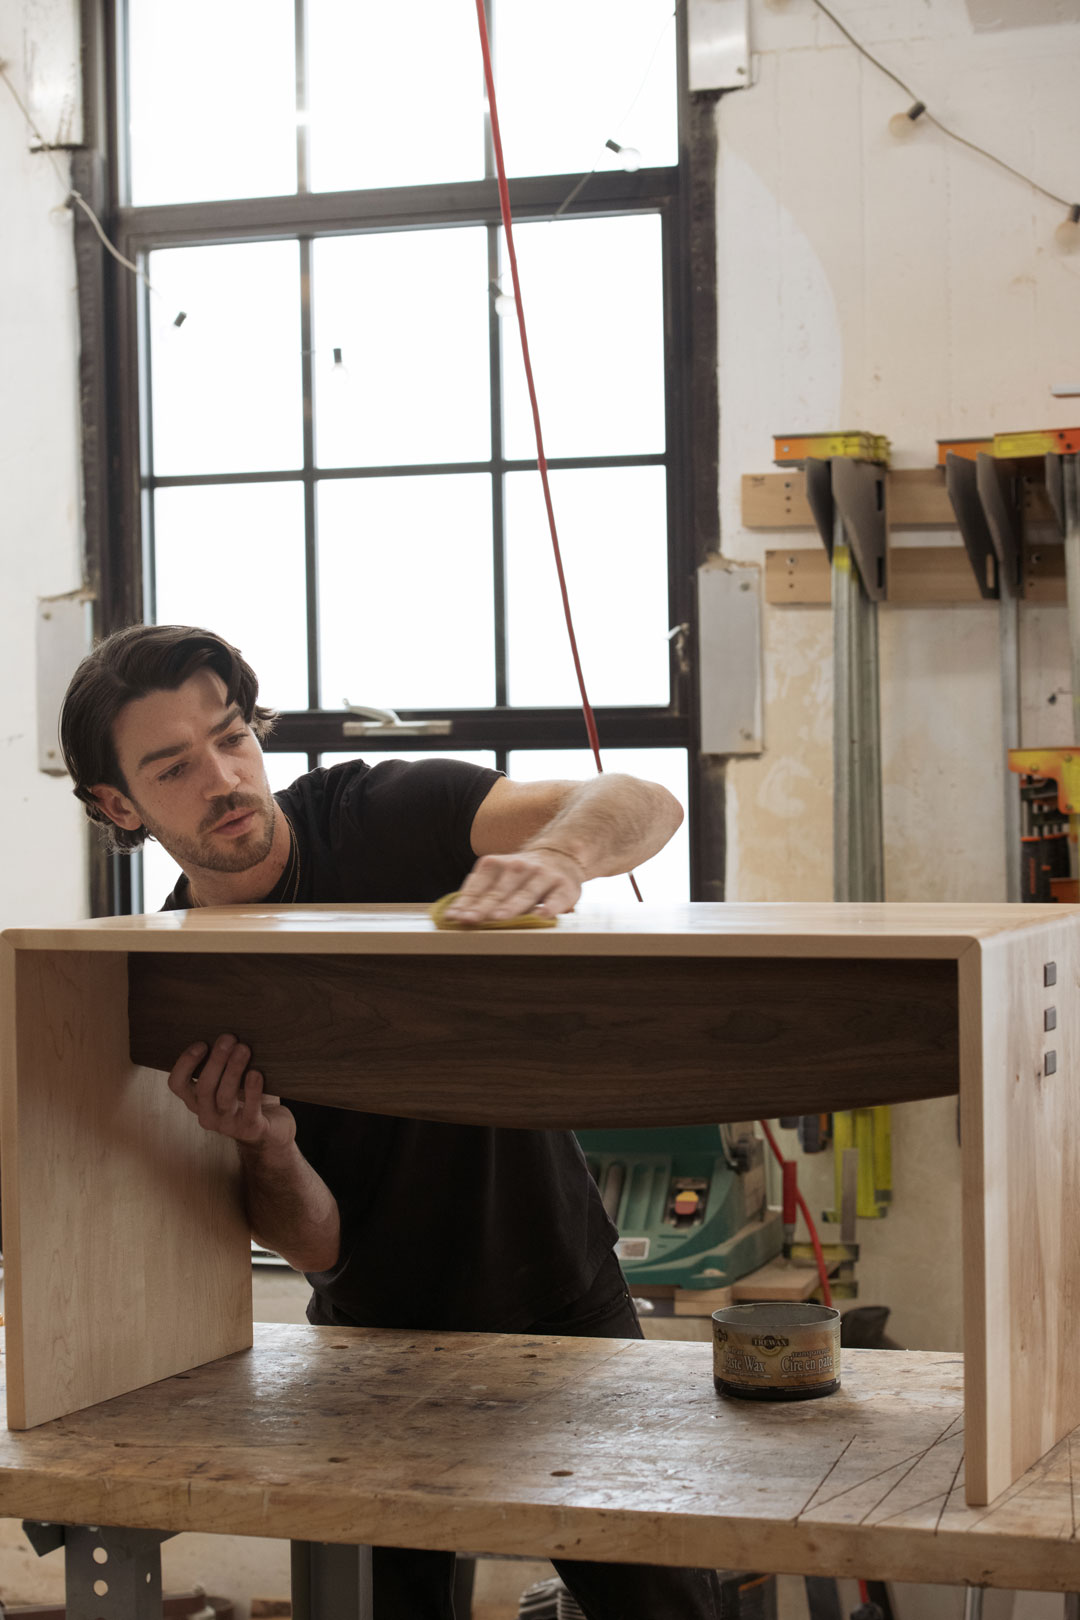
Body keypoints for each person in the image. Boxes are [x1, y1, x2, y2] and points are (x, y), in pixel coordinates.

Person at [60, 624, 723, 1620]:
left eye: (232, 737)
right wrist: (265, 1145)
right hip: (368, 1350)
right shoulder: (175, 980)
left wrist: (555, 859)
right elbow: (316, 1240)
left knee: (666, 1608)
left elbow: (645, 800)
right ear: (119, 805)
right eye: (173, 766)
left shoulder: (378, 814)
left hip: (561, 1304)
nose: (225, 776)